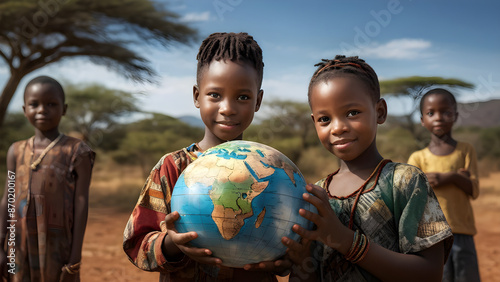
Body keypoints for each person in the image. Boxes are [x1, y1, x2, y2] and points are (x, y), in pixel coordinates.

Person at [123, 32, 287, 281]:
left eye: (243, 97)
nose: (228, 108)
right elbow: (137, 243)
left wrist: (283, 258)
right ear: (197, 96)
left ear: (258, 100)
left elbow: (289, 241)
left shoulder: (272, 170)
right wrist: (172, 244)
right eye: (215, 95)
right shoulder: (173, 167)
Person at [282, 55, 454, 281]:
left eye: (352, 113)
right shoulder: (316, 195)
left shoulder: (404, 181)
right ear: (314, 122)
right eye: (325, 119)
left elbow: (429, 274)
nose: (338, 128)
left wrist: (346, 240)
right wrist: (301, 260)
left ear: (380, 111)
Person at [0, 76, 95, 281]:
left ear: (64, 109)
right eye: (34, 104)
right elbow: (7, 198)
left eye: (51, 104)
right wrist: (1, 244)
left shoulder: (77, 151)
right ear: (25, 110)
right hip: (17, 245)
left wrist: (75, 259)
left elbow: (81, 203)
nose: (42, 110)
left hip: (58, 246)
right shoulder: (15, 151)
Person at [408, 88, 480, 282]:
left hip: (462, 230)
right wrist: (457, 176)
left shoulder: (465, 150)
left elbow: (473, 189)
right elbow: (412, 195)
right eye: (431, 113)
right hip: (433, 236)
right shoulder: (417, 157)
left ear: (455, 116)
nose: (438, 117)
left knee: (468, 277)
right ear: (423, 120)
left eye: (446, 112)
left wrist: (448, 178)